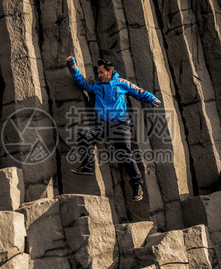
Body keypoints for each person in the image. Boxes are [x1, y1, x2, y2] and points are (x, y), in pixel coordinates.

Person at [66, 56, 161, 201]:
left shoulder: (122, 83)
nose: (99, 75)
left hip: (120, 125)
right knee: (84, 133)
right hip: (102, 125)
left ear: (109, 72)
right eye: (98, 73)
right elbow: (80, 80)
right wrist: (71, 64)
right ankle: (88, 165)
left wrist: (152, 99)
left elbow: (139, 92)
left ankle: (137, 184)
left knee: (125, 153)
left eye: (101, 72)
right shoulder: (95, 85)